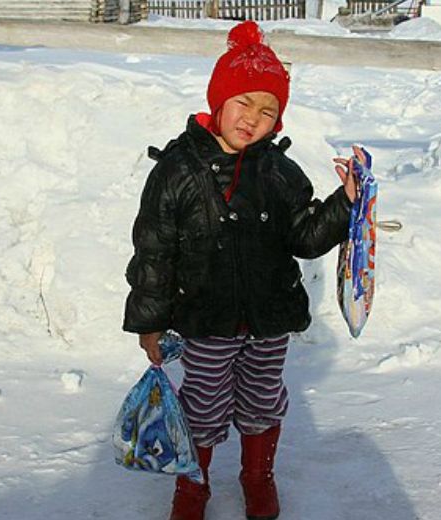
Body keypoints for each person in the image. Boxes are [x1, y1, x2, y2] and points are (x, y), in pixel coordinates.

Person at [123, 20, 358, 520]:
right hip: (206, 319)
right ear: (219, 100)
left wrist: (345, 203)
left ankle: (257, 475)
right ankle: (193, 485)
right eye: (243, 104)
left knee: (262, 401)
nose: (253, 119)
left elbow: (306, 236)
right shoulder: (177, 170)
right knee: (203, 408)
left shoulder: (278, 170)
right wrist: (149, 321)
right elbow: (153, 251)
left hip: (269, 318)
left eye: (268, 111)